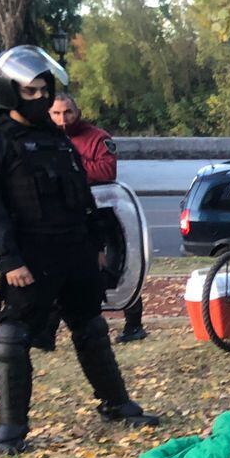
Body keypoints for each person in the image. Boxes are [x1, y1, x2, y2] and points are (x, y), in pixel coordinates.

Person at [0, 45, 157, 454]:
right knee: (13, 337)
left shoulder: (55, 139)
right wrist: (9, 260)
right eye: (32, 91)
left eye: (44, 90)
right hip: (31, 259)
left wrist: (95, 246)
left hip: (74, 253)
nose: (42, 98)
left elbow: (82, 195)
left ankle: (116, 404)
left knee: (91, 327)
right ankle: (11, 434)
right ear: (9, 92)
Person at [48, 93, 143, 344]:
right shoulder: (44, 138)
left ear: (77, 111)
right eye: (56, 113)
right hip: (64, 217)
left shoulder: (98, 138)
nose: (62, 119)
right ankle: (47, 333)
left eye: (67, 112)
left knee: (117, 268)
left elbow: (106, 170)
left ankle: (134, 326)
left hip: (102, 215)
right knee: (59, 273)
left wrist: (69, 168)